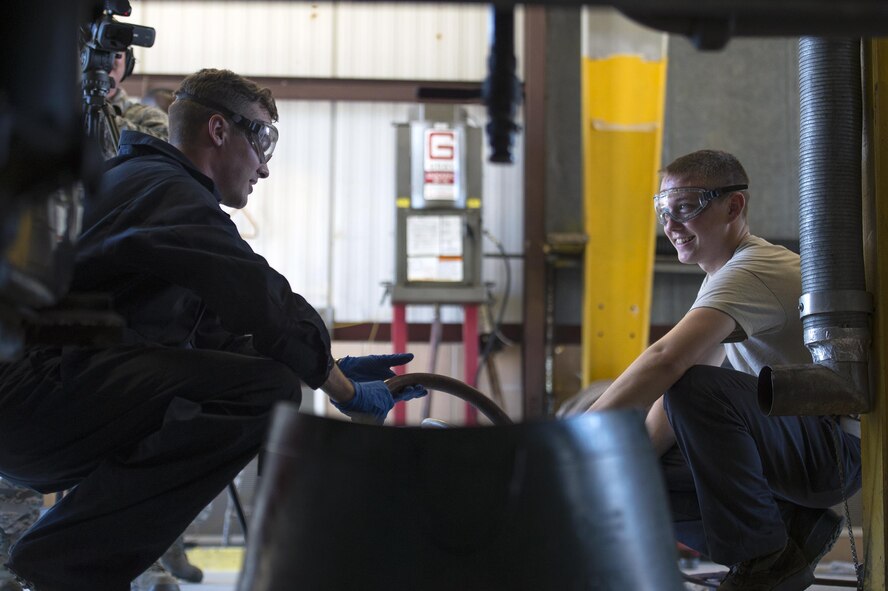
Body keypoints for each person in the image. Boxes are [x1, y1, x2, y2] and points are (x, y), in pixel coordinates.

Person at [0, 68, 426, 590]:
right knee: (268, 392)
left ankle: (68, 558)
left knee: (259, 377)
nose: (264, 169)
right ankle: (64, 560)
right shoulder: (167, 193)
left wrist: (329, 365)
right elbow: (258, 297)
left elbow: (218, 332)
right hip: (31, 398)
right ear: (219, 131)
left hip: (39, 399)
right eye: (262, 140)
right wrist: (341, 390)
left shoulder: (143, 187)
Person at [588, 150, 861, 591]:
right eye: (664, 211)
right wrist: (617, 464)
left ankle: (764, 558)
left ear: (734, 207)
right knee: (635, 476)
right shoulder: (721, 281)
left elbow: (668, 361)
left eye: (686, 209)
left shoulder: (755, 269)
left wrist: (571, 443)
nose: (671, 225)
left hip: (832, 452)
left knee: (696, 390)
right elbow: (680, 383)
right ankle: (792, 534)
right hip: (797, 448)